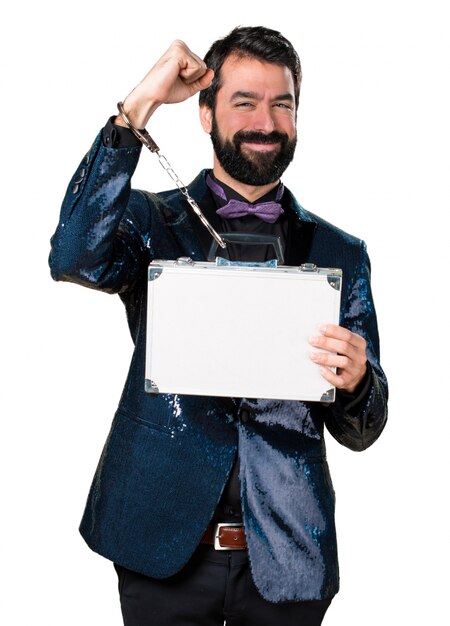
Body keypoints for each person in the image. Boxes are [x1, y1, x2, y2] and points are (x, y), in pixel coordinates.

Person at [49, 25, 388, 626]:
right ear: (205, 113)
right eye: (244, 101)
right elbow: (72, 253)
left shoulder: (342, 252)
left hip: (290, 554)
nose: (266, 120)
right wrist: (137, 107)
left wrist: (360, 382)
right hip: (157, 544)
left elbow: (363, 429)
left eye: (281, 104)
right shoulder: (153, 221)